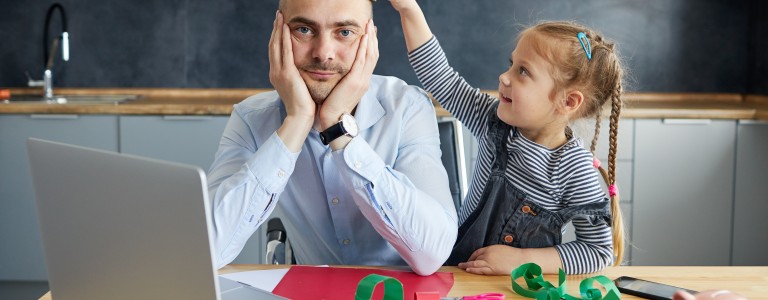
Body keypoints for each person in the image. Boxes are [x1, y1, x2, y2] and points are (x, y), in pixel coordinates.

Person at [206, 0, 458, 276]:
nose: (323, 53)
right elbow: (207, 250)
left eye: (345, 32)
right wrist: (297, 121)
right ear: (278, 35)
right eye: (304, 30)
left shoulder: (407, 107)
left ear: (369, 39)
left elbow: (431, 254)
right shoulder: (251, 118)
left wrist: (338, 128)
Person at [389, 0, 626, 275]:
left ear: (568, 101)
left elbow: (597, 251)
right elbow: (441, 79)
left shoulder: (576, 171)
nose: (504, 77)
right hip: (456, 275)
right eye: (512, 65)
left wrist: (521, 260)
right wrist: (409, 9)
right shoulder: (492, 121)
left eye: (523, 71)